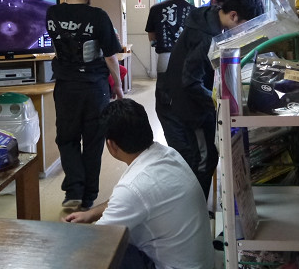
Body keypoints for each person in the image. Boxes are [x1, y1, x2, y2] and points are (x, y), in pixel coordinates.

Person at [64, 98, 215, 269]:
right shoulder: (169, 155)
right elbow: (129, 201)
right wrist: (91, 214)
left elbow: (96, 241)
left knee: (95, 253)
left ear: (111, 145)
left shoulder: (133, 187)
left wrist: (65, 236)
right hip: (200, 264)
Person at [165, 0, 264, 200]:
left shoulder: (210, 18)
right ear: (234, 15)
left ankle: (197, 204)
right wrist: (220, 102)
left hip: (193, 102)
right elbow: (190, 81)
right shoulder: (206, 36)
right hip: (190, 108)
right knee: (204, 159)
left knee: (206, 155)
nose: (244, 33)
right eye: (246, 27)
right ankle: (196, 208)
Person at [46, 0, 124, 210]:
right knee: (93, 141)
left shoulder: (52, 13)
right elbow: (110, 56)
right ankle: (88, 196)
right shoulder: (98, 16)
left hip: (66, 86)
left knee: (67, 139)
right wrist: (118, 86)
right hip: (94, 87)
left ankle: (74, 191)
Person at [145, 0, 194, 145]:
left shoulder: (156, 9)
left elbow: (152, 37)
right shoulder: (193, 12)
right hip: (187, 63)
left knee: (165, 106)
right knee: (186, 103)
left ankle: (175, 145)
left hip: (164, 61)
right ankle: (187, 146)